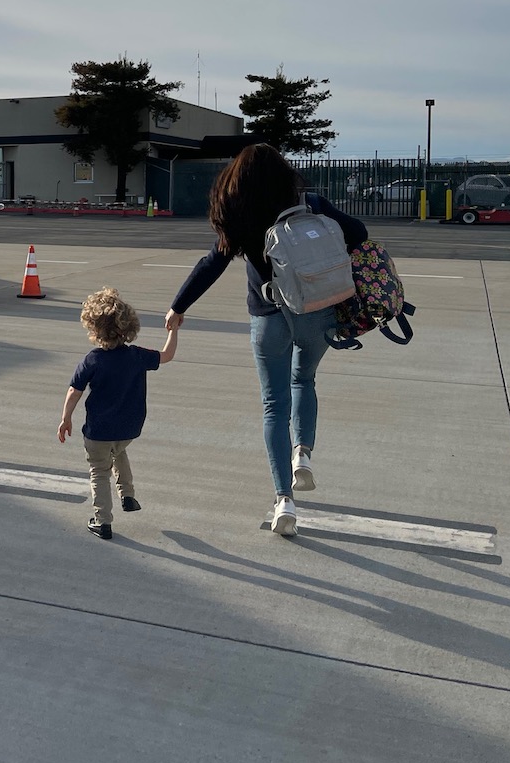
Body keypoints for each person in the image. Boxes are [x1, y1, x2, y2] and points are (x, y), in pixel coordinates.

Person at [164, 144, 367, 537]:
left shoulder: (240, 215)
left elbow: (212, 264)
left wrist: (178, 305)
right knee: (304, 381)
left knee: (274, 405)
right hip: (317, 314)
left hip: (268, 318)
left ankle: (284, 501)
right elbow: (358, 233)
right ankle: (303, 455)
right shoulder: (309, 203)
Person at [58, 286, 178, 539]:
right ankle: (128, 495)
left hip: (99, 431)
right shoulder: (137, 356)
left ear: (94, 329)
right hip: (129, 429)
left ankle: (102, 522)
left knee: (99, 471)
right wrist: (173, 330)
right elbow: (167, 355)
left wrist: (66, 418)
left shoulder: (92, 360)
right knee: (119, 451)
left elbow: (74, 391)